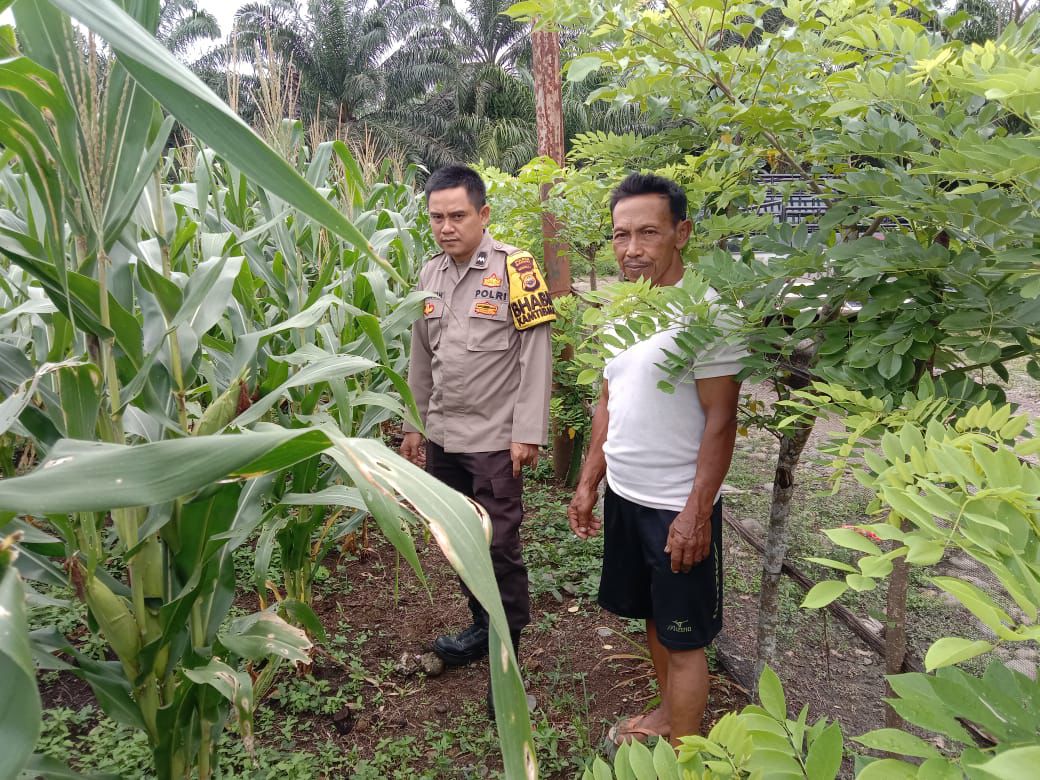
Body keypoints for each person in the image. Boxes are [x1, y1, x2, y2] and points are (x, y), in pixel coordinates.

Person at [567, 173, 745, 747]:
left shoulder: (708, 315)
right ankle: (669, 717)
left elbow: (721, 421)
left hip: (675, 506)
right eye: (621, 235)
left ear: (681, 233)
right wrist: (589, 481)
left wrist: (695, 513)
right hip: (626, 495)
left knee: (685, 639)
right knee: (653, 616)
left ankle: (684, 759)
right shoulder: (624, 308)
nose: (632, 249)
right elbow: (609, 400)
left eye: (648, 232)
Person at [400, 164, 555, 677]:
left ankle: (507, 651)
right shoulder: (430, 274)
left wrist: (527, 433)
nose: (446, 227)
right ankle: (481, 625)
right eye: (436, 217)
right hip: (444, 436)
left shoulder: (517, 269)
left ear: (483, 214)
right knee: (457, 540)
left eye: (458, 216)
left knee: (499, 546)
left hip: (493, 440)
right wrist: (414, 424)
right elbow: (421, 356)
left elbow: (536, 355)